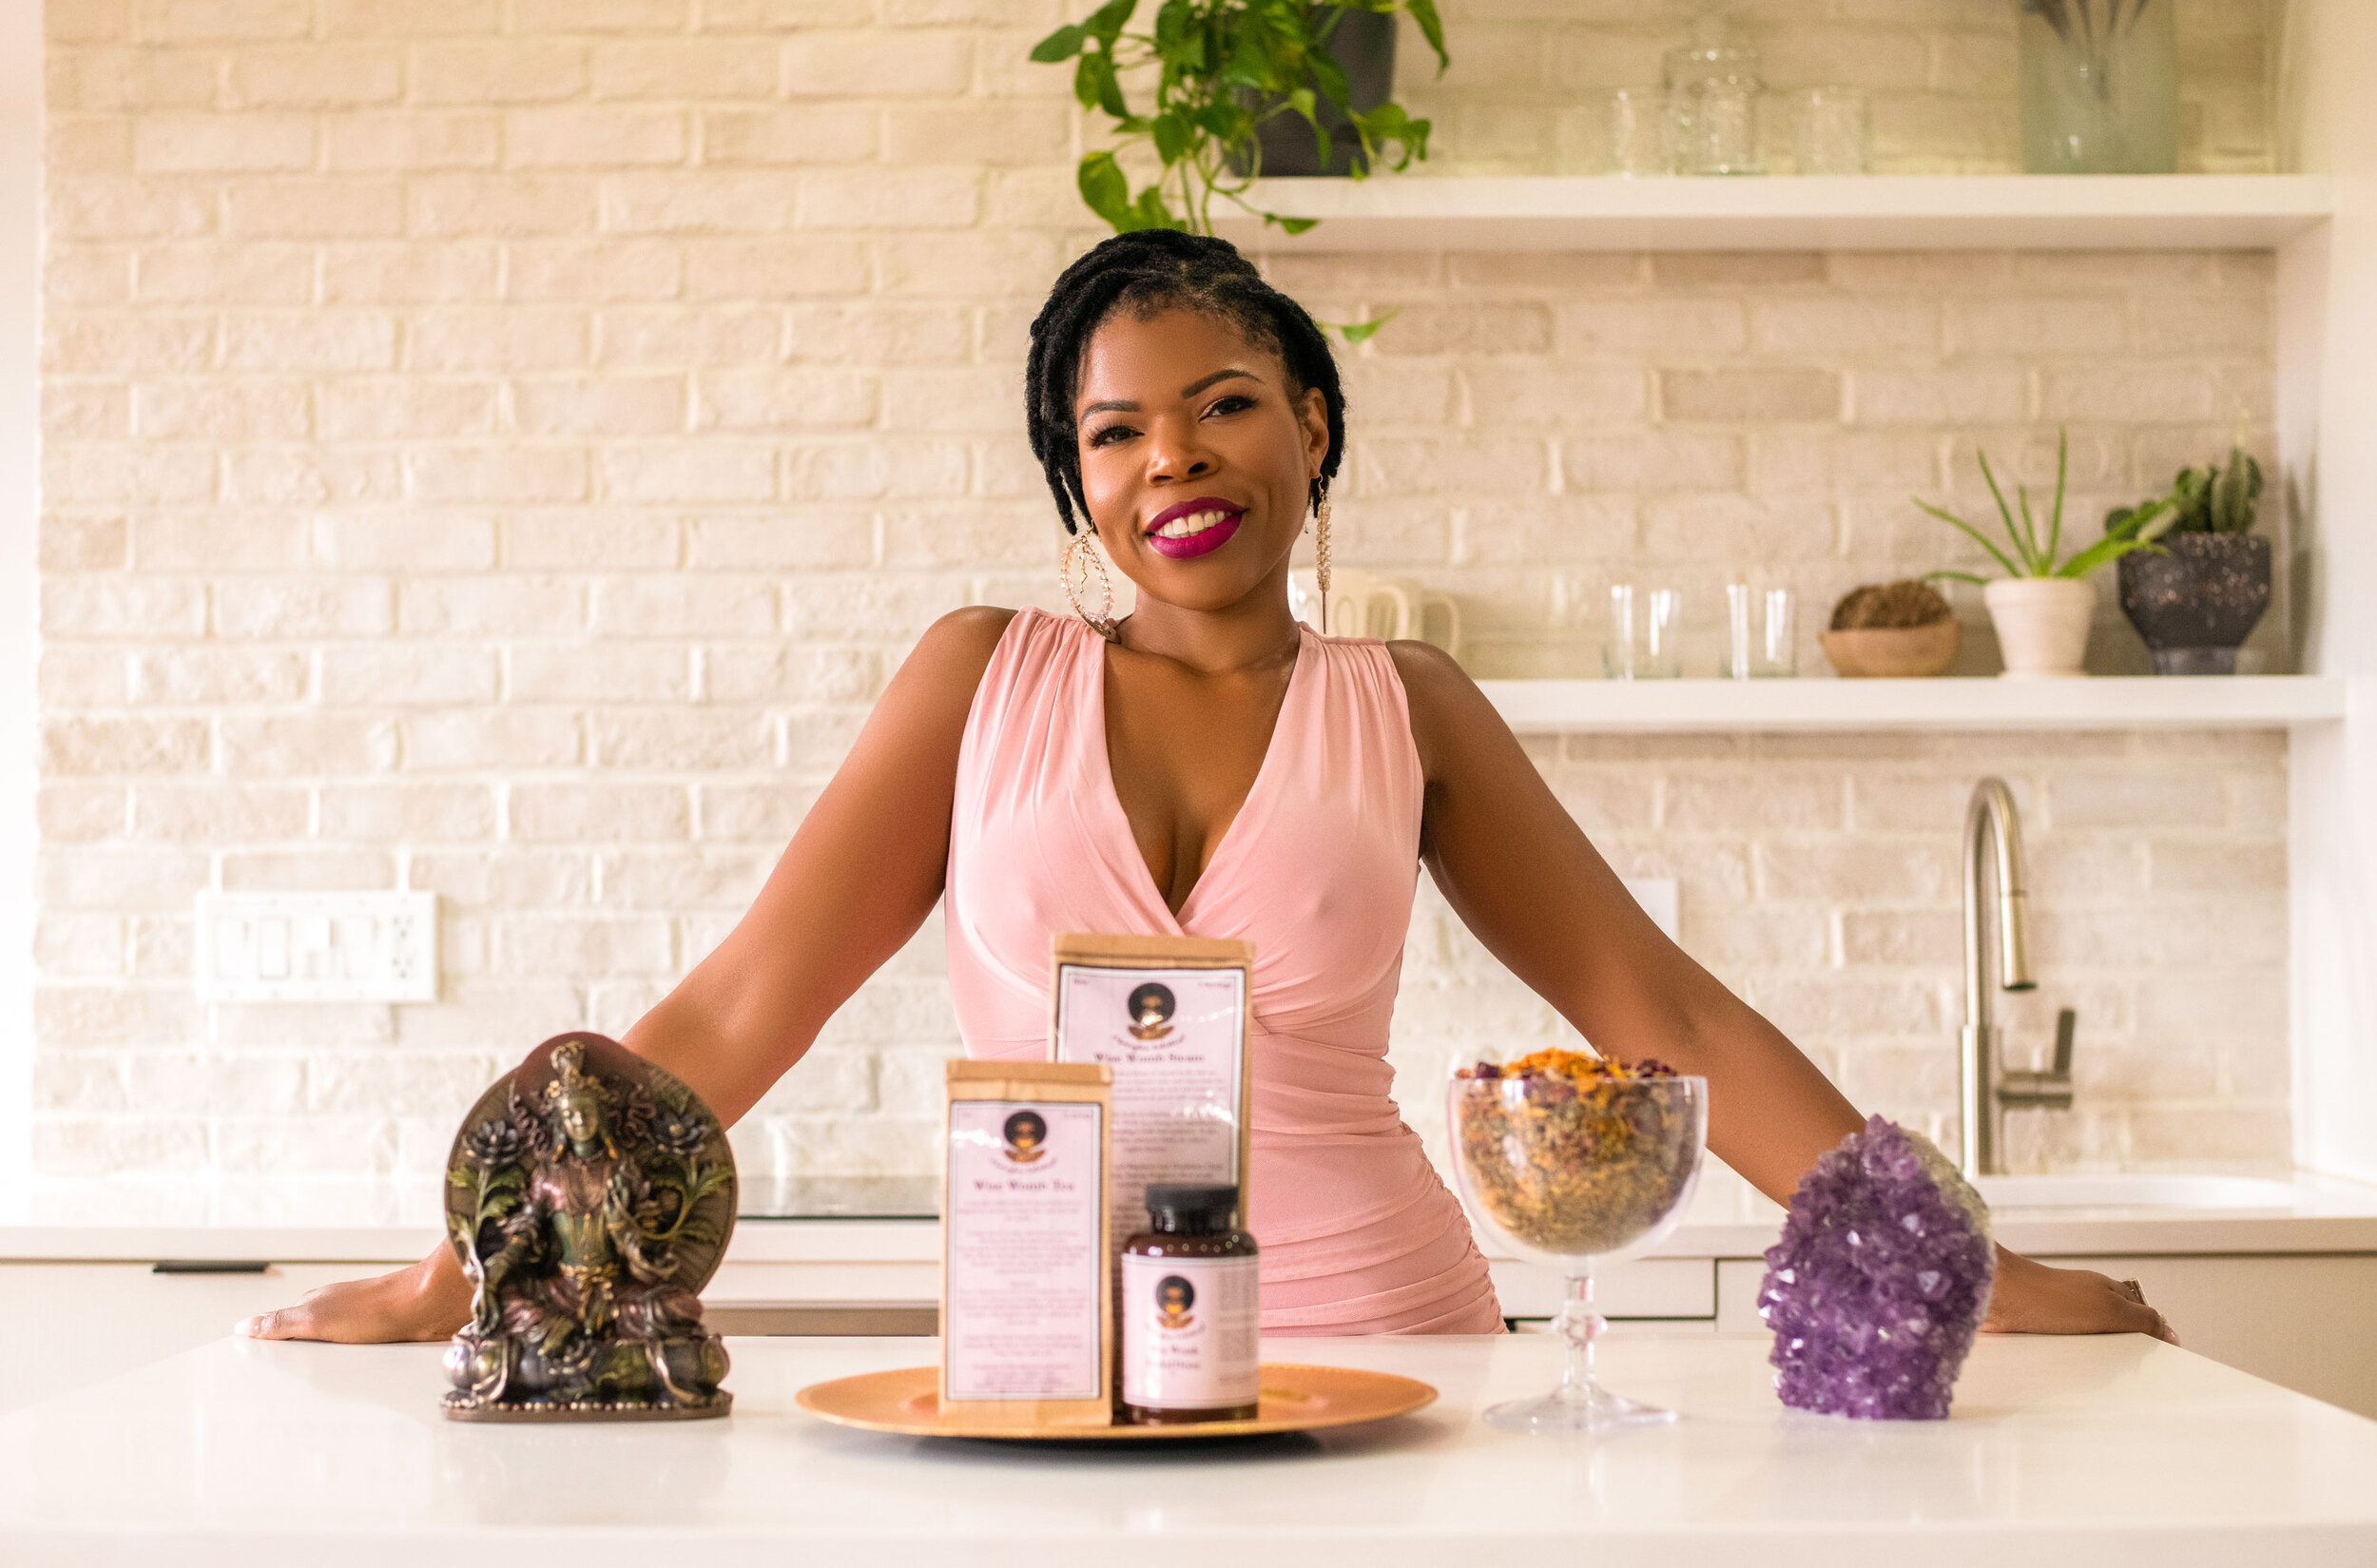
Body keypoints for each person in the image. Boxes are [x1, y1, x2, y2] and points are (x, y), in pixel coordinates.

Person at [242, 231, 2170, 1345]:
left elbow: (1659, 1015)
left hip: (1382, 1340)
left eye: (1225, 401)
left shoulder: (1404, 705)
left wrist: (1957, 1268)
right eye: (1116, 430)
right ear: (1074, 487)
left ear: (1309, 424)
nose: (1177, 455)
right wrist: (456, 1274)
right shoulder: (973, 679)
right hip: (1039, 1351)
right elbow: (743, 1004)